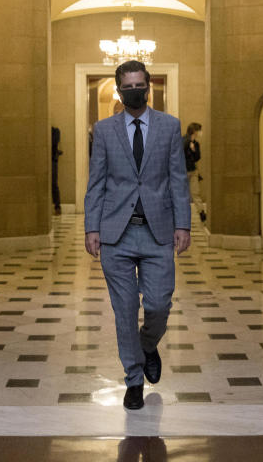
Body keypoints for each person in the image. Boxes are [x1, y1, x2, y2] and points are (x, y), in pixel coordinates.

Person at [84, 60, 191, 410]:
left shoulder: (169, 127)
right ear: (119, 89)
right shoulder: (103, 130)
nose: (134, 91)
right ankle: (133, 380)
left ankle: (147, 345)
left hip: (158, 232)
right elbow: (96, 182)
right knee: (125, 310)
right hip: (117, 233)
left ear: (148, 87)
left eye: (139, 85)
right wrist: (92, 227)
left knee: (159, 304)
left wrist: (183, 224)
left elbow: (178, 179)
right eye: (127, 86)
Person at [182, 122, 206, 223]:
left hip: (193, 171)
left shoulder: (196, 143)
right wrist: (189, 144)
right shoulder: (183, 139)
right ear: (194, 131)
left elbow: (197, 158)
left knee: (195, 193)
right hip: (182, 172)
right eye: (199, 130)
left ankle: (202, 213)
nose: (201, 133)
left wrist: (194, 150)